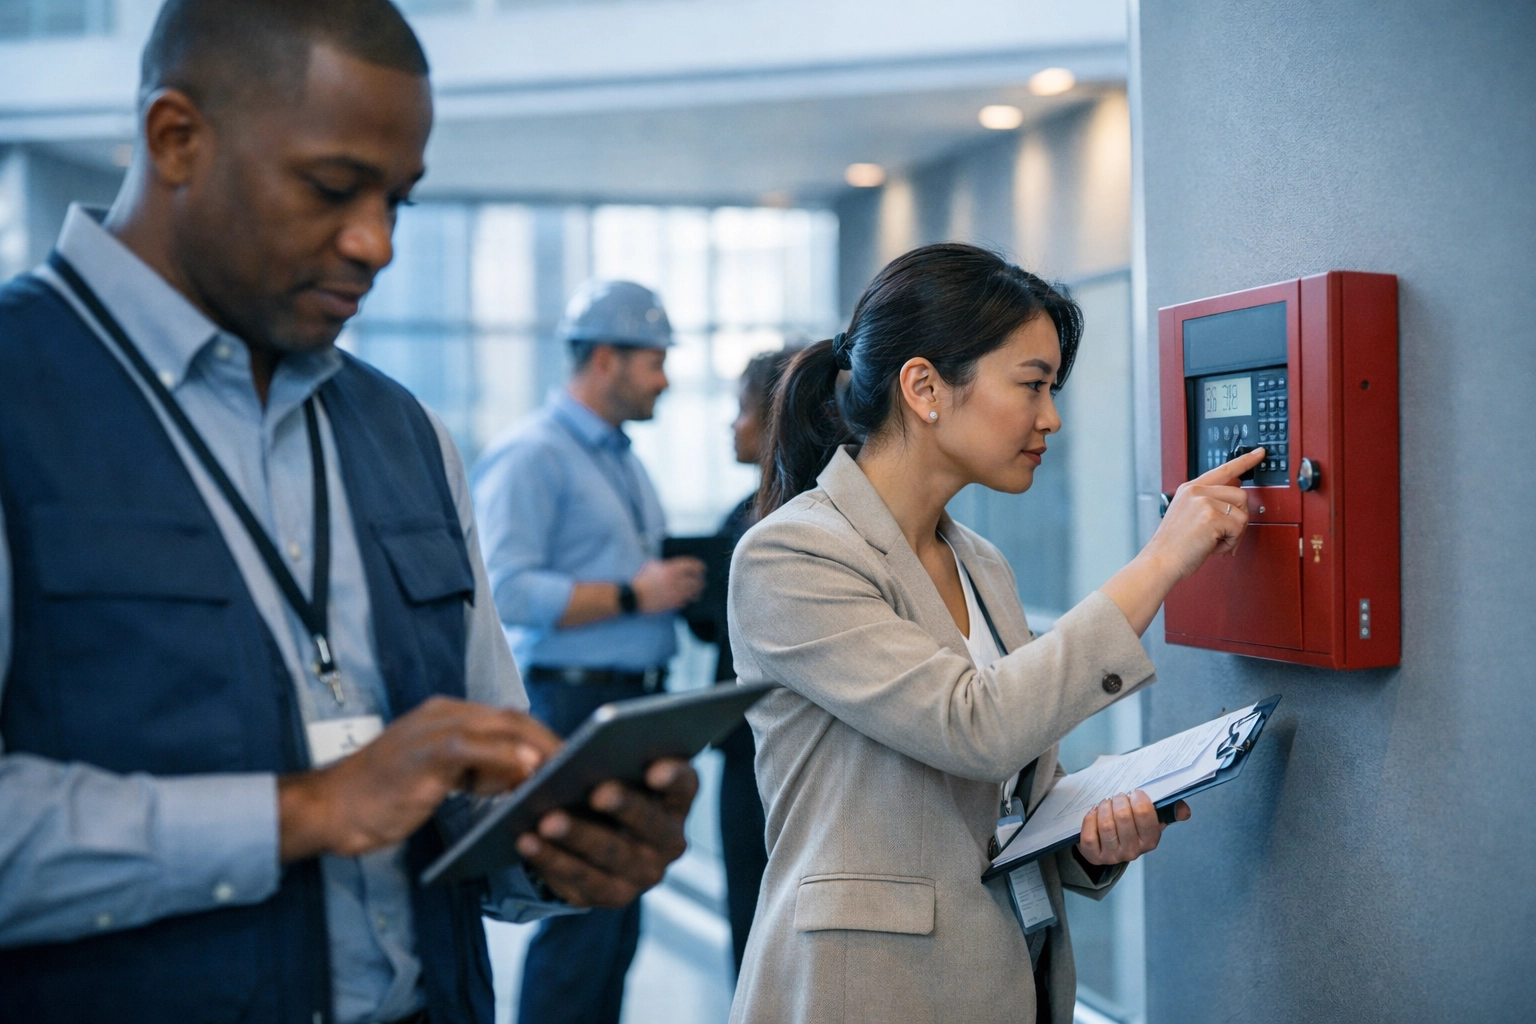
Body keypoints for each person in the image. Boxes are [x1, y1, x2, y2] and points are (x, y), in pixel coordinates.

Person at [0, 3, 699, 1023]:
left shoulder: (405, 432)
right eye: (331, 189)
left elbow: (471, 786)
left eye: (398, 202)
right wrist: (304, 810)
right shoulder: (19, 393)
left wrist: (554, 847)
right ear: (176, 138)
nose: (375, 243)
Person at [726, 243, 1267, 1024]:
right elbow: (973, 726)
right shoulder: (792, 555)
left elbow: (1001, 794)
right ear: (924, 387)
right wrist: (1161, 561)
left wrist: (1085, 839)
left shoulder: (980, 562)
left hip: (1010, 973)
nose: (1051, 417)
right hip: (869, 991)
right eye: (1032, 384)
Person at [471, 280, 706, 1024]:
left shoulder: (619, 459)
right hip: (572, 702)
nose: (664, 380)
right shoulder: (533, 455)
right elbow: (504, 589)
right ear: (606, 359)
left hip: (628, 698)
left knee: (614, 916)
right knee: (576, 916)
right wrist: (632, 595)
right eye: (655, 362)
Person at [683, 347, 798, 975]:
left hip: (758, 750)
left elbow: (718, 626)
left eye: (742, 409)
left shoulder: (763, 522)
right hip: (762, 745)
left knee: (756, 923)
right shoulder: (772, 513)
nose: (734, 425)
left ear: (775, 415)